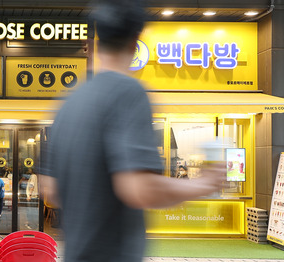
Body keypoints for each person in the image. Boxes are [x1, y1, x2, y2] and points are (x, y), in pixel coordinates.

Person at [43, 1, 226, 261]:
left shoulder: (68, 102)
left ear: (96, 38)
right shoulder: (128, 92)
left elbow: (51, 191)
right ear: (136, 40)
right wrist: (202, 184)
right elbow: (138, 188)